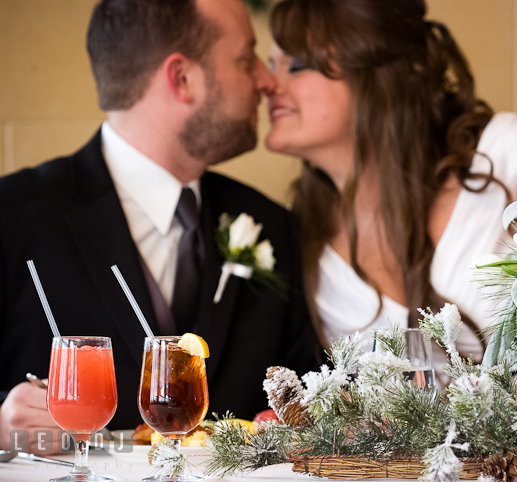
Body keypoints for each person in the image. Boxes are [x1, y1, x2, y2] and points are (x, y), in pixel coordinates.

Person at [0, 0, 319, 453]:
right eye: (247, 58)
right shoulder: (13, 216)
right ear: (182, 79)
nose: (267, 81)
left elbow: (309, 397)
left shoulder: (271, 223)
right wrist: (0, 421)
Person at [264, 0, 517, 372]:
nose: (269, 84)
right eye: (272, 66)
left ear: (373, 77)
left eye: (297, 66)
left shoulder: (510, 156)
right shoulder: (298, 238)